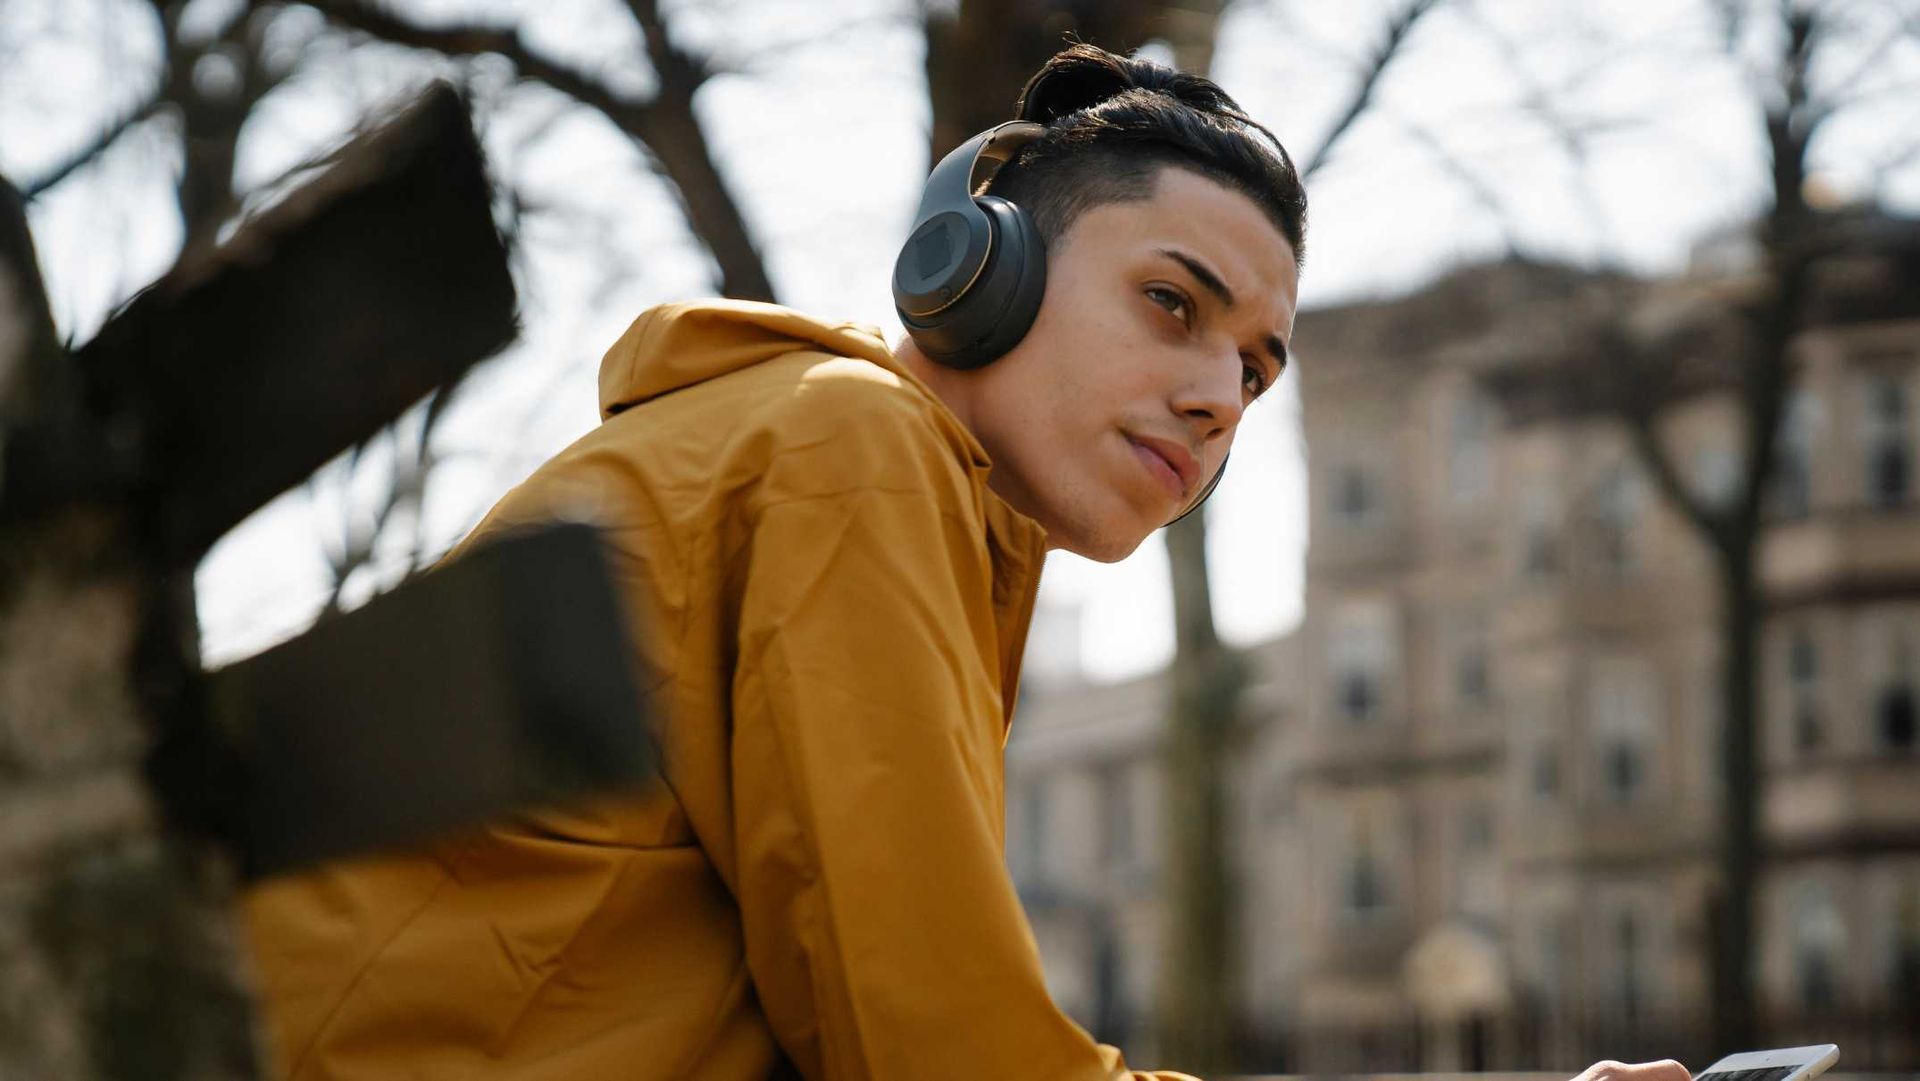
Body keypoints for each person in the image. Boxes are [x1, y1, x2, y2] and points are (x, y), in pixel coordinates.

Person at [241, 44, 1691, 1081]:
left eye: (1256, 369)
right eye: (1171, 304)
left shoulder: (859, 476)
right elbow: (942, 1051)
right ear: (972, 270)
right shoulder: (848, 450)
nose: (1216, 394)